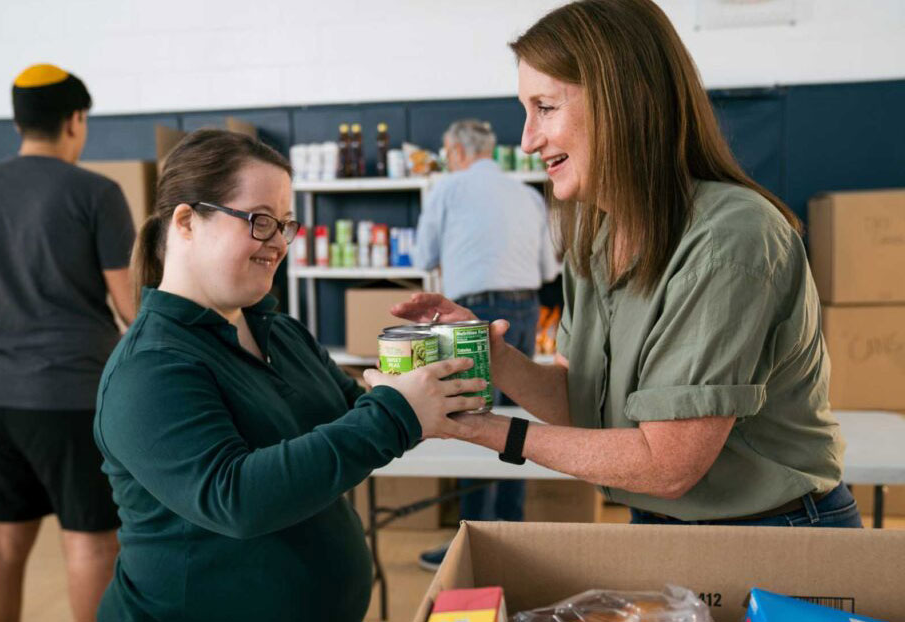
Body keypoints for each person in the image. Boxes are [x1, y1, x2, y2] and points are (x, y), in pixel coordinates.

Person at [391, 0, 861, 529]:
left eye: (545, 108)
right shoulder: (599, 234)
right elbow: (583, 405)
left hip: (776, 530)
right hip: (667, 524)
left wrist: (483, 430)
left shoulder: (730, 238)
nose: (526, 140)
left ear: (623, 102)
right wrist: (494, 355)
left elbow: (666, 465)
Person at [92, 128, 486, 621]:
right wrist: (394, 414)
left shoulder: (279, 332)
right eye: (259, 221)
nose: (278, 243)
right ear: (187, 222)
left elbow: (355, 415)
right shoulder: (149, 369)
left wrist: (432, 368)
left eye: (284, 225)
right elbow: (235, 498)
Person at [0, 63, 136, 621]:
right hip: (70, 398)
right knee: (92, 542)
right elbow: (131, 307)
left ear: (19, 121)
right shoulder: (97, 193)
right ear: (76, 120)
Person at [412, 119, 559, 571]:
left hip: (468, 313)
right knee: (519, 420)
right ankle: (512, 534)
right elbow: (549, 269)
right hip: (523, 308)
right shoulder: (529, 194)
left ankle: (469, 541)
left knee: (471, 416)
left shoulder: (448, 189)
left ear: (455, 150)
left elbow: (422, 257)